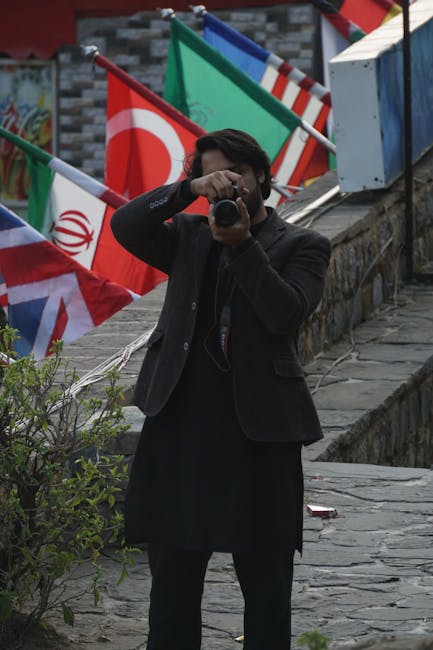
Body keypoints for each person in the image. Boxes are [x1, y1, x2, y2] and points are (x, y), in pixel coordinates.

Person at [111, 129, 331, 650]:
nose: (228, 187)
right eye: (216, 176)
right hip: (180, 425)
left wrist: (244, 249)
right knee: (171, 591)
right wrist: (188, 190)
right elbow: (124, 224)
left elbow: (286, 314)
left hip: (259, 434)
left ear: (260, 175)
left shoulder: (304, 245)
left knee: (267, 589)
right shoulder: (187, 236)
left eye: (236, 173)